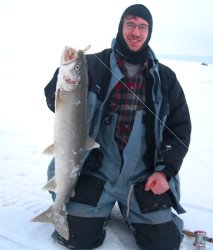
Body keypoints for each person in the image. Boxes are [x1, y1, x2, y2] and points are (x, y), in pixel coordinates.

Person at [44, 4, 191, 250]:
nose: (136, 32)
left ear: (149, 32)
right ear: (121, 27)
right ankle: (97, 209)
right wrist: (62, 76)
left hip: (142, 177)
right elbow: (54, 102)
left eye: (142, 27)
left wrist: (164, 171)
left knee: (163, 244)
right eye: (130, 24)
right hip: (95, 171)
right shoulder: (92, 65)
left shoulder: (166, 78)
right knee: (77, 237)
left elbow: (180, 129)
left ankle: (131, 208)